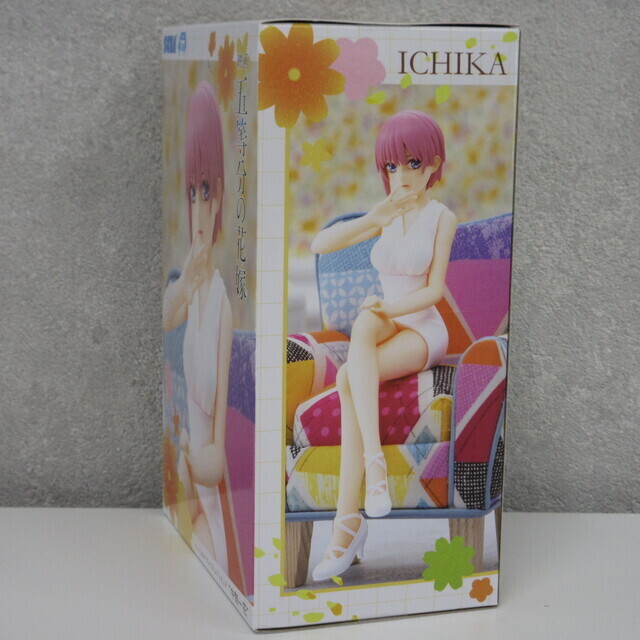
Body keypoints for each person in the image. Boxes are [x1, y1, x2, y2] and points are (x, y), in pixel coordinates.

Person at [309, 110, 457, 581]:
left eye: (413, 163)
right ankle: (372, 472)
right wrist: (374, 217)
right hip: (387, 321)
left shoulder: (442, 217)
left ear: (433, 164)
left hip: (423, 329)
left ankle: (346, 524)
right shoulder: (387, 214)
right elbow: (319, 244)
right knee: (363, 327)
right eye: (392, 166)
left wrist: (388, 309)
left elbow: (433, 292)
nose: (402, 175)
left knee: (349, 377)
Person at [163, 81, 233, 573]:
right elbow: (166, 317)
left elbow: (217, 461)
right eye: (192, 193)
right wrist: (186, 281)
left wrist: (190, 455)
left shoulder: (221, 304)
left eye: (206, 191)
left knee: (203, 559)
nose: (198, 208)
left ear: (220, 195)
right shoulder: (189, 288)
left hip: (207, 490)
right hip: (186, 493)